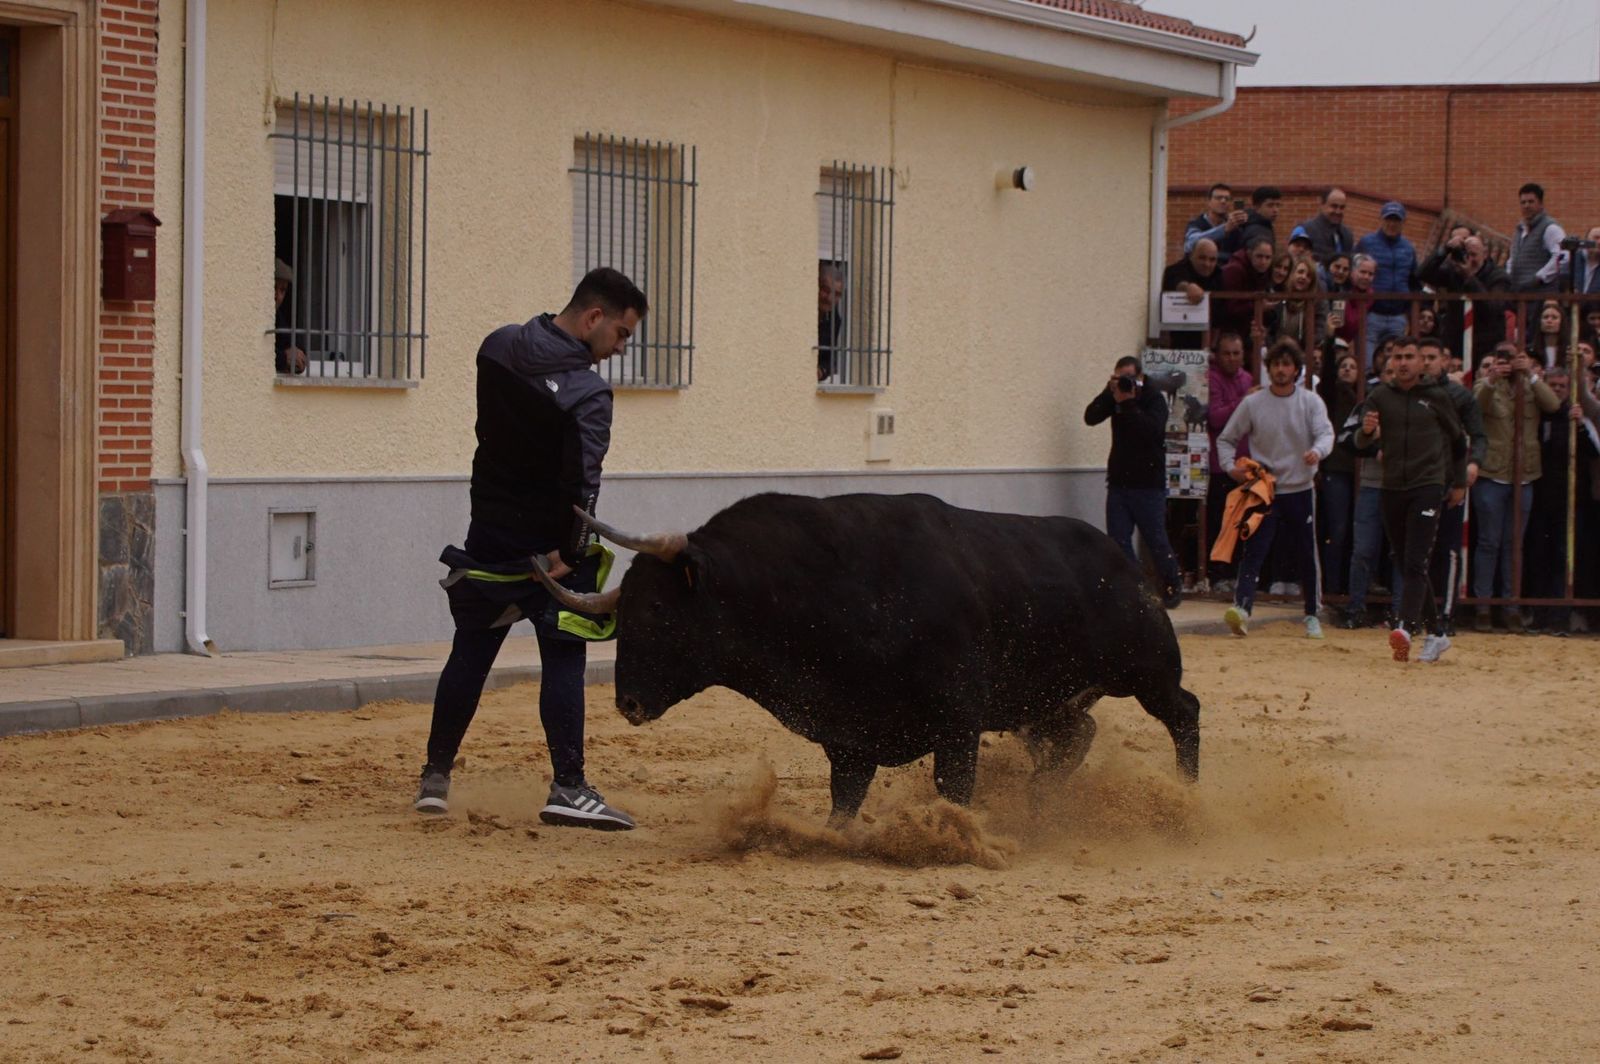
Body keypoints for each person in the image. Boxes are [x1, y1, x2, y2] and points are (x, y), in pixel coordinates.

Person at [415, 267, 648, 828]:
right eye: (621, 335)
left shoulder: (495, 348)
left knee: (470, 652)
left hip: (489, 538)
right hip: (548, 551)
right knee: (565, 654)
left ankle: (435, 778)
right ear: (594, 318)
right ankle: (568, 786)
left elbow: (490, 442)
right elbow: (583, 485)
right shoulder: (590, 395)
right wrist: (571, 553)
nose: (618, 349)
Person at [1352, 336, 1469, 662]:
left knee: (1416, 560)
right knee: (1404, 561)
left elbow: (1459, 442)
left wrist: (1458, 483)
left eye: (1409, 357)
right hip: (1392, 487)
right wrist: (1367, 431)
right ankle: (1437, 634)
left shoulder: (1437, 397)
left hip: (1428, 485)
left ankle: (1405, 625)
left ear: (1421, 363)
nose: (1403, 362)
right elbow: (1359, 443)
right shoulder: (1380, 396)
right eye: (1398, 356)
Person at [1216, 337, 1334, 639]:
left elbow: (1326, 433)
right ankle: (1242, 609)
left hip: (1300, 488)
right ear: (1269, 369)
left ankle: (1311, 613)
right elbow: (1226, 438)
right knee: (1253, 550)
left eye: (1286, 365)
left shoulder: (1310, 402)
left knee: (1307, 552)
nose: (1281, 370)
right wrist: (1232, 468)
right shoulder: (1253, 403)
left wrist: (1317, 452)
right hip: (1264, 488)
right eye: (1276, 365)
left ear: (1296, 370)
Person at [1470, 343, 1561, 633]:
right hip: (1492, 473)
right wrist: (1492, 377)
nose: (1508, 364)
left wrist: (1531, 376)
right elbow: (1475, 406)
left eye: (1513, 358)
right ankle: (1484, 606)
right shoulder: (1487, 384)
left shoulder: (1530, 385)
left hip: (1525, 473)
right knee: (1488, 542)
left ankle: (1511, 606)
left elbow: (1554, 404)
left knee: (1515, 544)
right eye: (1503, 359)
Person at [1084, 356, 1184, 609]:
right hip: (1119, 482)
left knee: (1155, 539)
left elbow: (1151, 431)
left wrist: (1128, 404)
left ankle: (1173, 584)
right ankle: (1136, 587)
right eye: (1120, 378)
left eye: (1129, 378)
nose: (1126, 384)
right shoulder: (1115, 395)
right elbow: (1090, 416)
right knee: (1118, 541)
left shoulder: (1153, 398)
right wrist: (1110, 394)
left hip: (1148, 484)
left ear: (1140, 377)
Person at [1419, 336, 1487, 636]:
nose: (1427, 363)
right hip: (1416, 479)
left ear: (1445, 361)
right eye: (1423, 357)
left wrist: (1473, 464)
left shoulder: (1460, 396)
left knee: (1447, 549)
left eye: (1432, 357)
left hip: (1448, 479)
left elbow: (1478, 435)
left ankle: (1445, 614)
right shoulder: (1404, 393)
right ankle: (1414, 611)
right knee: (1414, 550)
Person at [1205, 332, 1254, 590]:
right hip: (1220, 465)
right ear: (1217, 355)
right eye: (1227, 353)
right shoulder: (1212, 379)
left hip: (1247, 464)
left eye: (1237, 353)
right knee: (1219, 522)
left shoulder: (1248, 379)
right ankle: (1217, 575)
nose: (1232, 358)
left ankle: (1238, 575)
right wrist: (1244, 402)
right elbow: (1215, 417)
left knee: (1244, 522)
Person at [1417, 232, 1509, 363]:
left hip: (1485, 344)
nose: (1469, 260)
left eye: (1474, 255)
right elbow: (1422, 273)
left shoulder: (1499, 276)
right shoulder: (1455, 270)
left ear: (1485, 254)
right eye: (1466, 255)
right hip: (1455, 340)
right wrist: (1445, 249)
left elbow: (1492, 308)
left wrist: (1469, 277)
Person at [1316, 340, 1360, 601]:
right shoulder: (1331, 396)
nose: (1347, 370)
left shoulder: (1366, 397)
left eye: (1352, 366)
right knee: (1338, 531)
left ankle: (1350, 588)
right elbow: (1328, 377)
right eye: (1343, 365)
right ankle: (1332, 588)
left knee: (1356, 533)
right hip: (1337, 469)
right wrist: (1330, 340)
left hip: (1361, 472)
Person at [1354, 202, 1419, 361]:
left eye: (1396, 220)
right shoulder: (1366, 243)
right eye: (1388, 219)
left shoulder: (1409, 248)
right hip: (1372, 313)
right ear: (1381, 220)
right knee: (1367, 362)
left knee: (1396, 362)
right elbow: (1354, 273)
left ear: (1403, 222)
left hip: (1398, 315)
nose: (1392, 224)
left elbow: (1414, 280)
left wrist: (1409, 312)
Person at [1161, 238, 1222, 350]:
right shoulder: (1176, 269)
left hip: (1210, 344)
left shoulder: (1220, 275)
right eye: (1202, 258)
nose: (1207, 264)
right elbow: (1174, 279)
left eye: (1212, 260)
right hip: (1177, 343)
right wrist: (1187, 287)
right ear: (1191, 256)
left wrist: (1214, 345)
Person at [1506, 182, 1566, 293]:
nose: (1526, 206)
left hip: (1541, 294)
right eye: (1523, 202)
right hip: (1518, 294)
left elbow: (1562, 257)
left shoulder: (1550, 228)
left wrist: (1539, 277)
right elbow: (1512, 258)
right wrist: (1508, 276)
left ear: (1541, 204)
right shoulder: (1519, 230)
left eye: (1531, 202)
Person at [1218, 237, 1276, 345]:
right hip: (1228, 331)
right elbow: (1230, 307)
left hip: (1248, 330)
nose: (1263, 261)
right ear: (1249, 254)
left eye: (1268, 257)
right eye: (1259, 256)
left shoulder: (1263, 271)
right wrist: (1258, 306)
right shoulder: (1234, 270)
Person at [1184, 182, 1249, 257]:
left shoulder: (1235, 227)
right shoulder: (1196, 223)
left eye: (1227, 199)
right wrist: (1224, 229)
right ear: (1209, 201)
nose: (1223, 201)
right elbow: (1190, 244)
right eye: (1218, 198)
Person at [1298, 187, 1355, 264]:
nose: (1338, 211)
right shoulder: (1305, 230)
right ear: (1322, 205)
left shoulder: (1347, 235)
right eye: (1334, 206)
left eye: (1342, 208)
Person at [273, 258, 307, 375]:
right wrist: (283, 358)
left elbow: (292, 340)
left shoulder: (277, 316)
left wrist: (299, 356)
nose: (277, 296)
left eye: (282, 290)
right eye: (274, 287)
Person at [817, 262, 845, 381]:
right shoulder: (801, 313)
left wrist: (821, 370)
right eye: (826, 290)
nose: (830, 298)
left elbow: (830, 360)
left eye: (837, 294)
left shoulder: (834, 319)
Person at [1240, 185, 1282, 251]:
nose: (1275, 210)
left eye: (1278, 205)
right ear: (1256, 207)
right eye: (1270, 205)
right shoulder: (1257, 231)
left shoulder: (1260, 224)